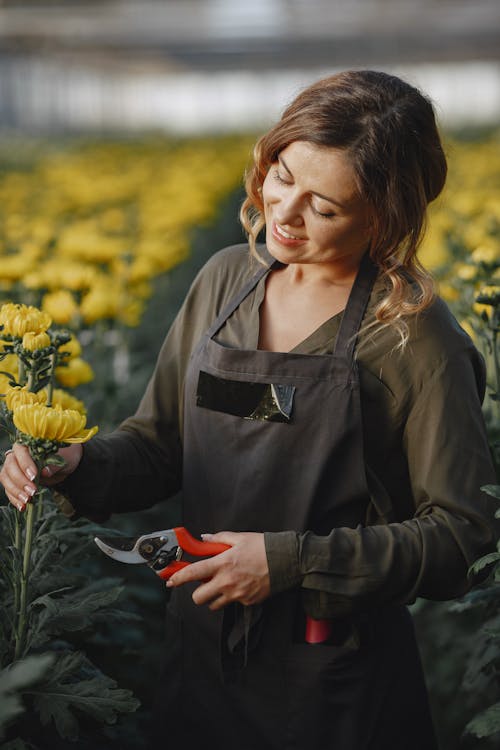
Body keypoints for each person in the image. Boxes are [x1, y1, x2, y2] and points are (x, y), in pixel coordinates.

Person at [1, 70, 498, 750]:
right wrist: (78, 465)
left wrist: (288, 563)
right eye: (282, 174)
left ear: (384, 217)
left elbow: (463, 537)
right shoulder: (226, 281)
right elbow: (159, 447)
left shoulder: (414, 337)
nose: (285, 214)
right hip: (201, 661)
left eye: (325, 208)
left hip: (333, 684)